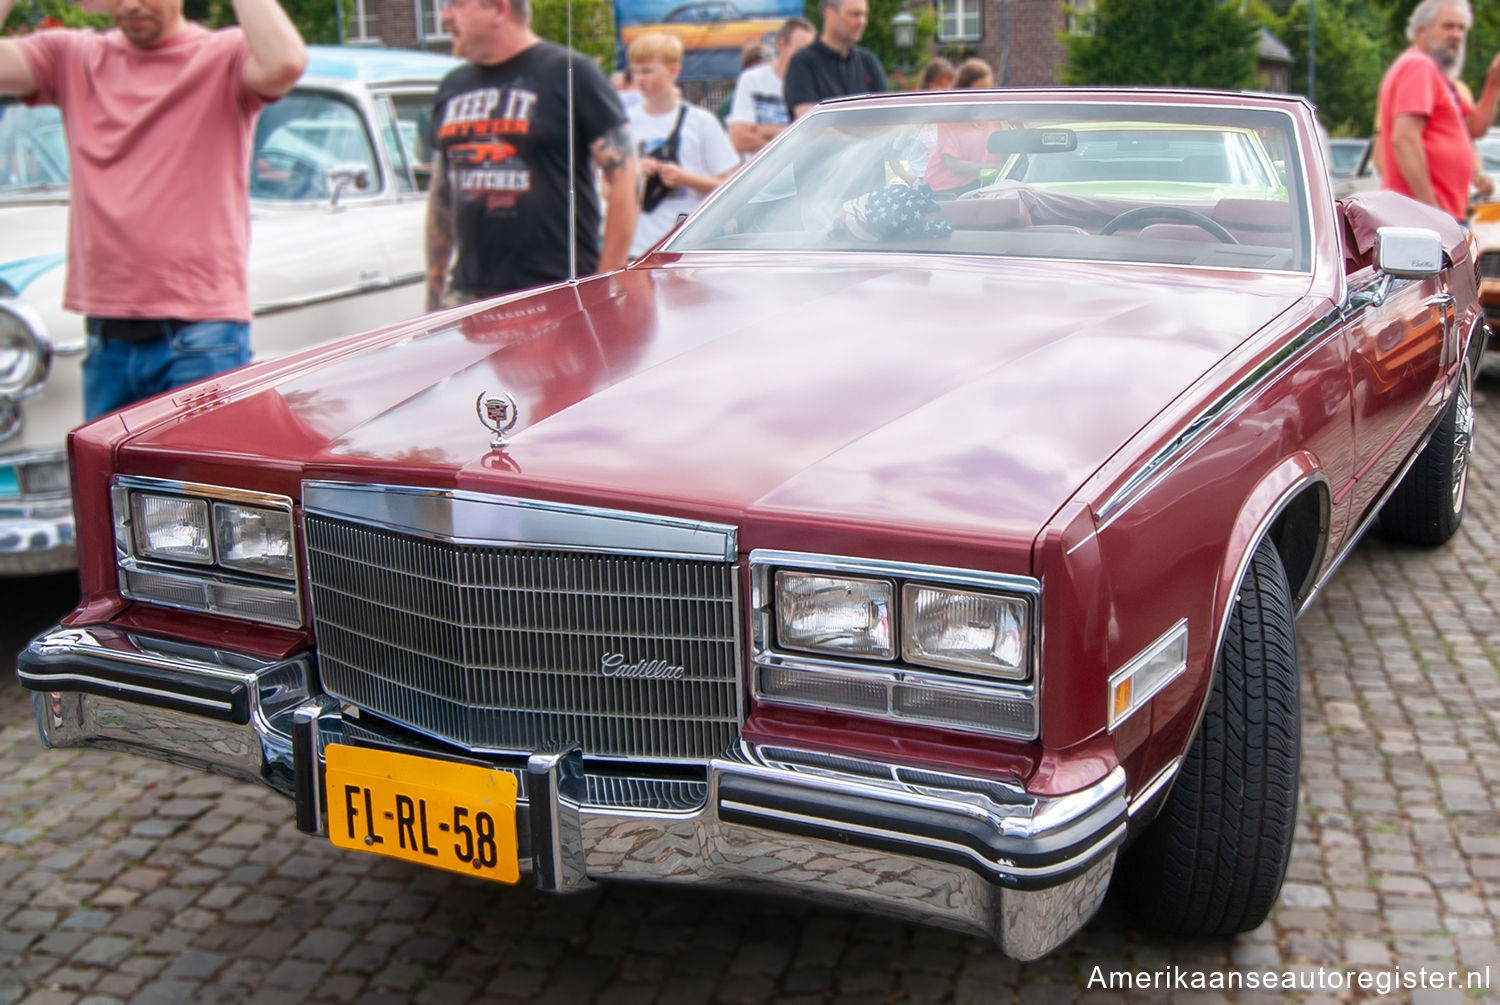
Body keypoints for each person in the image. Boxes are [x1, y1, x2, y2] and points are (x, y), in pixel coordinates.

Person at [0, 0, 307, 420]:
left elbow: (286, 63)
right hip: (107, 335)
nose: (130, 5)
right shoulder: (73, 57)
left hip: (201, 332)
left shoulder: (222, 55)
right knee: (106, 484)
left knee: (199, 483)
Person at [426, 0, 639, 309]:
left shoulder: (570, 73)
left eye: (455, 4)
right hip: (470, 299)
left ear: (498, 9)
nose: (444, 16)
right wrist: (434, 292)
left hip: (556, 294)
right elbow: (441, 191)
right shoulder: (453, 86)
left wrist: (602, 288)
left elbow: (626, 177)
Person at [1376, 0, 1500, 221]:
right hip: (1422, 219)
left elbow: (1473, 127)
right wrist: (1432, 214)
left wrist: (1494, 82)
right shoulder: (1417, 66)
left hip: (1439, 216)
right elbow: (1405, 140)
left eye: (1461, 28)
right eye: (1448, 26)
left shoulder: (1438, 76)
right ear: (1422, 30)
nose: (1457, 35)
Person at [626, 32, 739, 259]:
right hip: (638, 248)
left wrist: (685, 179)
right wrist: (634, 172)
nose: (640, 79)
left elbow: (732, 187)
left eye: (647, 70)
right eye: (635, 71)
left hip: (688, 248)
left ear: (673, 71)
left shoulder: (701, 122)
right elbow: (606, 188)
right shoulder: (625, 122)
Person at [725, 16, 815, 159]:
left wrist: (764, 130)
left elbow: (815, 139)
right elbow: (738, 138)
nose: (807, 58)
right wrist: (792, 138)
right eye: (800, 51)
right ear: (782, 45)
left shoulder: (814, 85)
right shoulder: (752, 80)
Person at [783, 0, 887, 120]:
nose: (862, 22)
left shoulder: (868, 62)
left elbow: (888, 115)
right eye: (855, 14)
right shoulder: (803, 63)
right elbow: (808, 121)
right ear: (829, 13)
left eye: (864, 15)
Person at [924, 58, 1001, 196]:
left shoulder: (993, 119)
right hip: (944, 190)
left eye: (988, 89)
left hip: (981, 186)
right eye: (979, 91)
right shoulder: (949, 119)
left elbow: (1003, 153)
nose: (985, 95)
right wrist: (996, 169)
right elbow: (955, 166)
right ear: (964, 91)